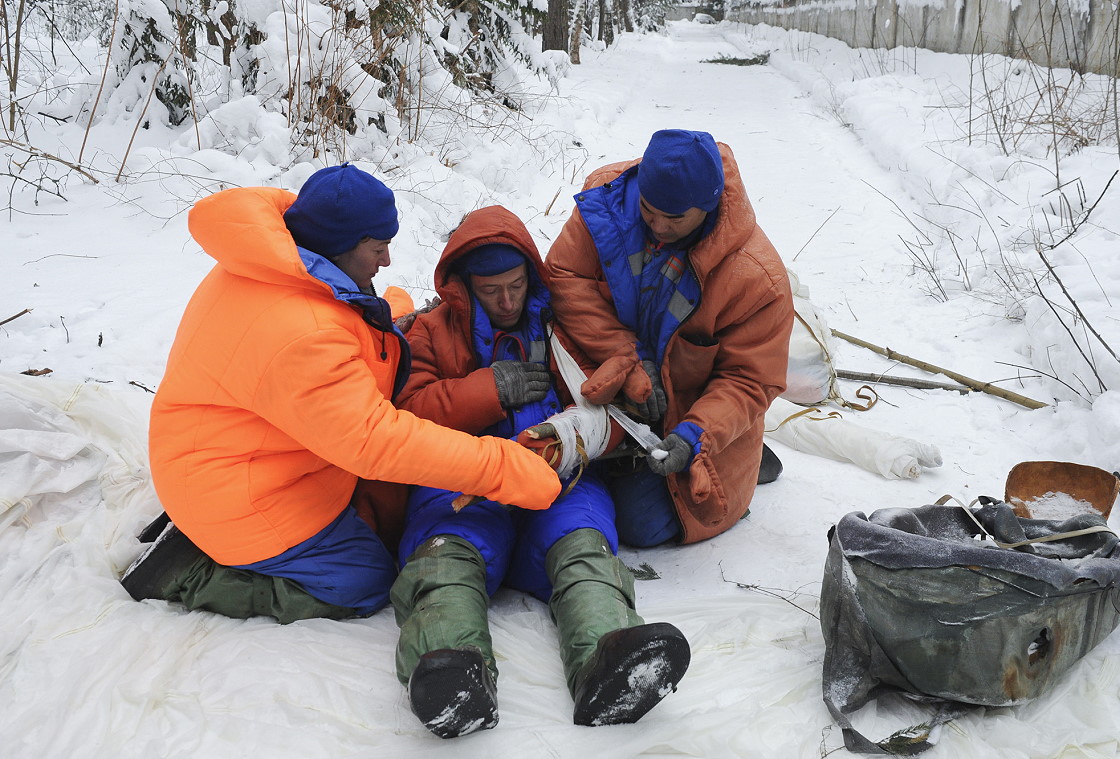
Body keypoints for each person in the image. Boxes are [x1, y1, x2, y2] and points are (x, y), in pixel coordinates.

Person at [120, 164, 562, 624]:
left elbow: (336, 323)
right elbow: (375, 438)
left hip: (224, 454)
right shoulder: (302, 334)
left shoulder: (274, 268)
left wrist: (393, 318)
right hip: (242, 494)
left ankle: (201, 529)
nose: (387, 260)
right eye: (377, 248)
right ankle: (188, 573)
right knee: (366, 582)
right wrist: (503, 467)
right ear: (339, 247)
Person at [391, 205, 690, 738]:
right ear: (463, 286)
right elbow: (405, 417)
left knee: (584, 550)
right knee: (446, 563)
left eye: (515, 284)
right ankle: (452, 673)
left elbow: (615, 403)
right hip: (464, 481)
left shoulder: (565, 326)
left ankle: (610, 662)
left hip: (560, 478)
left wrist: (612, 415)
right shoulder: (430, 333)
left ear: (531, 273)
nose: (506, 301)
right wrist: (487, 390)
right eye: (490, 290)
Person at [545, 129, 794, 548]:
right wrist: (629, 359)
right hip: (616, 381)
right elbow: (564, 276)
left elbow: (750, 380)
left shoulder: (757, 279)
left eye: (675, 219)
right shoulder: (607, 201)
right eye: (648, 209)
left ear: (709, 205)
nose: (658, 226)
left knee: (642, 526)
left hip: (687, 417)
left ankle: (736, 458)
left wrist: (697, 434)